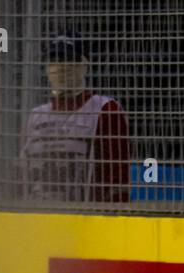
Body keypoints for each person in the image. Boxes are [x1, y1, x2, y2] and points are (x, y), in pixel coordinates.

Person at [18, 29, 129, 204]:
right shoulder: (36, 116)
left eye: (68, 60)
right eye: (53, 61)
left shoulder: (105, 109)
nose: (60, 68)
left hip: (84, 218)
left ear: (84, 65)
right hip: (37, 217)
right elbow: (22, 174)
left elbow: (115, 179)